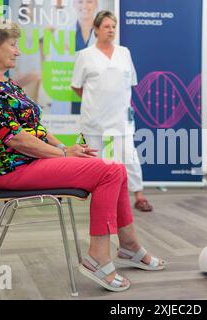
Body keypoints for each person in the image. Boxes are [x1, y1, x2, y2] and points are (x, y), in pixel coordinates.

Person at [0, 16, 164, 292]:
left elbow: (35, 129)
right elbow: (16, 140)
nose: (18, 50)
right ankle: (99, 257)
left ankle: (128, 246)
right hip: (12, 171)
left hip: (30, 164)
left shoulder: (6, 83)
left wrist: (63, 148)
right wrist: (63, 155)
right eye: (12, 44)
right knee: (110, 171)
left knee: (115, 168)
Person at [71, 11, 154, 212]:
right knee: (94, 160)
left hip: (121, 117)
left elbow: (131, 83)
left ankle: (139, 195)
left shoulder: (124, 53)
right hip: (94, 119)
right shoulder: (85, 55)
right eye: (107, 26)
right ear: (97, 29)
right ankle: (97, 198)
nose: (111, 30)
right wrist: (95, 102)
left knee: (129, 156)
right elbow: (76, 85)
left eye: (113, 26)